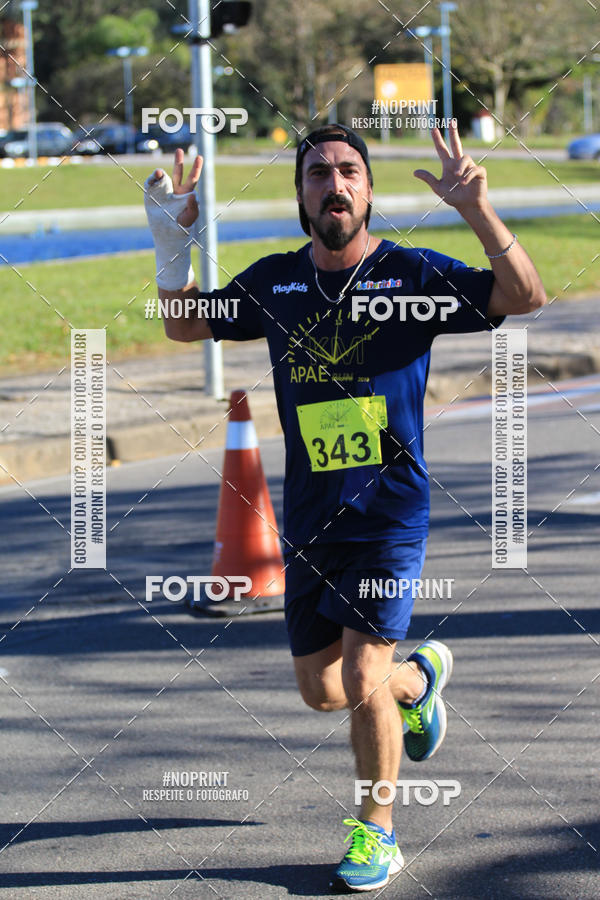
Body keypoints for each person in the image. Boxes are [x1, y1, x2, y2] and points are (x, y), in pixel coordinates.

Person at [143, 122, 545, 893]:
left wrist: (478, 210)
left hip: (391, 515)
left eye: (350, 171)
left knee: (361, 673)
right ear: (300, 194)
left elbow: (522, 296)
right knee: (324, 691)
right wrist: (172, 248)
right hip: (311, 519)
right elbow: (184, 322)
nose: (335, 184)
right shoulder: (275, 284)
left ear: (368, 190)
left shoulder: (411, 275)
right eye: (318, 172)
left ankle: (377, 834)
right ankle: (418, 684)